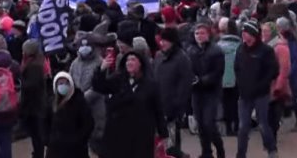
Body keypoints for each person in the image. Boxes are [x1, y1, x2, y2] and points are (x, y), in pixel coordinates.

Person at [92, 50, 168, 158]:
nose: (129, 62)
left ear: (140, 63)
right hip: (118, 135)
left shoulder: (151, 85)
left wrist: (163, 134)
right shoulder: (118, 80)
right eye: (127, 60)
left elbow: (158, 111)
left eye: (133, 59)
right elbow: (99, 86)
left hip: (141, 136)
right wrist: (101, 69)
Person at [234, 20, 279, 158]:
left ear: (253, 34)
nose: (243, 34)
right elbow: (237, 68)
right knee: (243, 127)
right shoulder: (240, 49)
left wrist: (262, 85)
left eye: (246, 32)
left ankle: (272, 150)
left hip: (261, 94)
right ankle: (241, 154)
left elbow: (273, 71)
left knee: (263, 125)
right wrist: (240, 85)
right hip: (244, 95)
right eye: (242, 32)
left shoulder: (266, 51)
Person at [187, 23, 226, 158]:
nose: (199, 36)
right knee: (201, 124)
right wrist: (192, 79)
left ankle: (220, 148)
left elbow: (218, 72)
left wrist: (202, 80)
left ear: (208, 34)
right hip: (196, 92)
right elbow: (188, 69)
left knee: (209, 122)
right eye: (197, 33)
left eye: (202, 33)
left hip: (211, 91)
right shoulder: (191, 50)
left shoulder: (216, 51)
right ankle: (206, 152)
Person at [153, 27, 192, 157]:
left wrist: (176, 109)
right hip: (157, 107)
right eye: (161, 40)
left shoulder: (182, 59)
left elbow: (184, 88)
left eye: (165, 40)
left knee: (171, 146)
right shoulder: (158, 56)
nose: (162, 43)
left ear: (173, 41)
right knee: (158, 146)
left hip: (172, 110)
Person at [69, 33, 106, 154]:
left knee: (97, 142)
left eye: (87, 46)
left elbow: (99, 86)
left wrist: (83, 99)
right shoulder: (75, 63)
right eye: (81, 46)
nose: (84, 48)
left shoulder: (100, 62)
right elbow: (70, 81)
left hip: (97, 108)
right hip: (79, 110)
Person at [45, 71, 94, 158]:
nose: (63, 86)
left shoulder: (79, 101)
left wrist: (78, 140)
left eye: (65, 83)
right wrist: (49, 140)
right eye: (60, 83)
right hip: (55, 150)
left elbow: (88, 124)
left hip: (76, 150)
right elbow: (45, 123)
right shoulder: (51, 103)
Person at [20, 39, 47, 158]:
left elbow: (31, 85)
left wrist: (21, 79)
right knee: (36, 134)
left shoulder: (35, 66)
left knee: (37, 134)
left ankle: (38, 154)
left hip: (34, 106)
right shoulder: (34, 62)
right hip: (34, 105)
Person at [217, 18, 241, 137]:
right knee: (237, 102)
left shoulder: (218, 46)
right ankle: (236, 125)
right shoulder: (240, 45)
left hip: (223, 79)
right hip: (237, 79)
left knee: (226, 103)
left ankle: (228, 127)